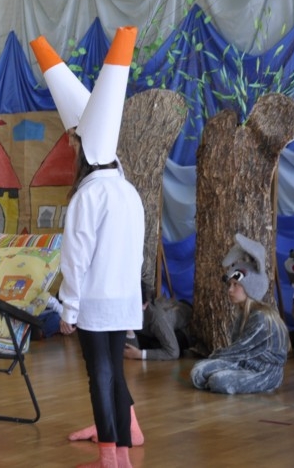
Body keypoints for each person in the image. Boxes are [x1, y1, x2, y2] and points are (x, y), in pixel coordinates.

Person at [57, 26, 143, 468]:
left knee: (100, 376)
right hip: (123, 301)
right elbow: (136, 253)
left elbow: (76, 257)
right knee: (115, 374)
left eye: (74, 143)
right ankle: (120, 454)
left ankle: (109, 456)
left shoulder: (86, 196)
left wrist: (69, 308)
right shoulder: (129, 192)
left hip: (93, 302)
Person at [191, 233, 289, 394]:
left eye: (236, 285)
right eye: (230, 284)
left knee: (217, 380)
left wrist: (215, 356)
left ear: (251, 288)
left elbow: (240, 350)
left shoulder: (262, 318)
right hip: (246, 363)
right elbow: (237, 352)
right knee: (199, 371)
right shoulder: (244, 315)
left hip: (265, 372)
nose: (230, 290)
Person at [123, 281, 193, 361]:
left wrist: (139, 354)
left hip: (186, 325)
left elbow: (173, 352)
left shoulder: (157, 318)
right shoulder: (124, 312)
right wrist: (129, 328)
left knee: (154, 346)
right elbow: (129, 351)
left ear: (145, 305)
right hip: (152, 331)